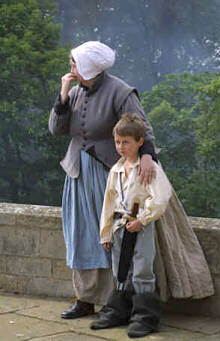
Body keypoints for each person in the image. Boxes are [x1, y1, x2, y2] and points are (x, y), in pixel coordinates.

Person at [48, 41, 158, 319]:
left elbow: (142, 127)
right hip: (77, 173)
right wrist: (62, 95)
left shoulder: (120, 91)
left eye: (74, 64)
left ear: (88, 66)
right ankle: (85, 298)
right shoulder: (73, 93)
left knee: (113, 236)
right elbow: (56, 129)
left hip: (110, 174)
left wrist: (147, 156)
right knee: (81, 235)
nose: (70, 69)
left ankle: (116, 301)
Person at [90, 113, 172, 338]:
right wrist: (106, 234)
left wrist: (142, 219)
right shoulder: (115, 170)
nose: (121, 147)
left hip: (140, 226)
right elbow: (109, 203)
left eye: (126, 142)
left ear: (139, 142)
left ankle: (144, 317)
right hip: (119, 227)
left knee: (142, 269)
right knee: (120, 269)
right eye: (118, 142)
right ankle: (119, 310)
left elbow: (162, 197)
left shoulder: (148, 168)